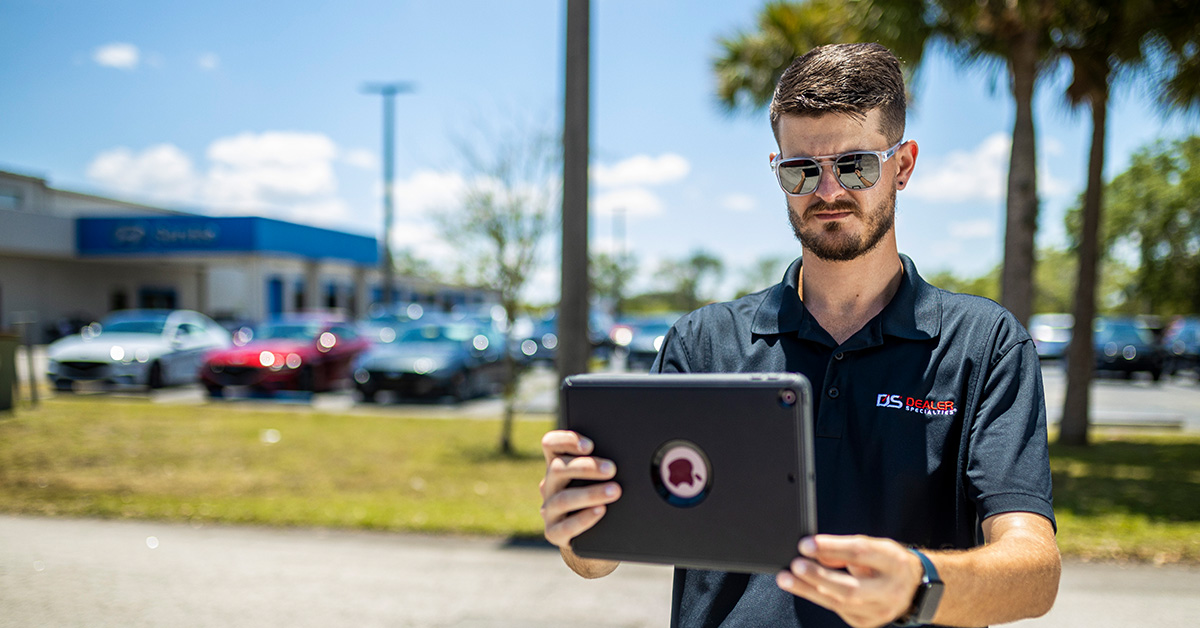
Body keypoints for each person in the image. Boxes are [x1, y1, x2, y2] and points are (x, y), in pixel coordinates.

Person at [539, 42, 1060, 628]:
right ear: (778, 172)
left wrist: (917, 584)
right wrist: (577, 523)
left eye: (857, 165)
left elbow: (1035, 572)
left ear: (903, 166)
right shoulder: (703, 343)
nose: (829, 191)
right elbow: (598, 558)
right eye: (802, 170)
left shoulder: (985, 345)